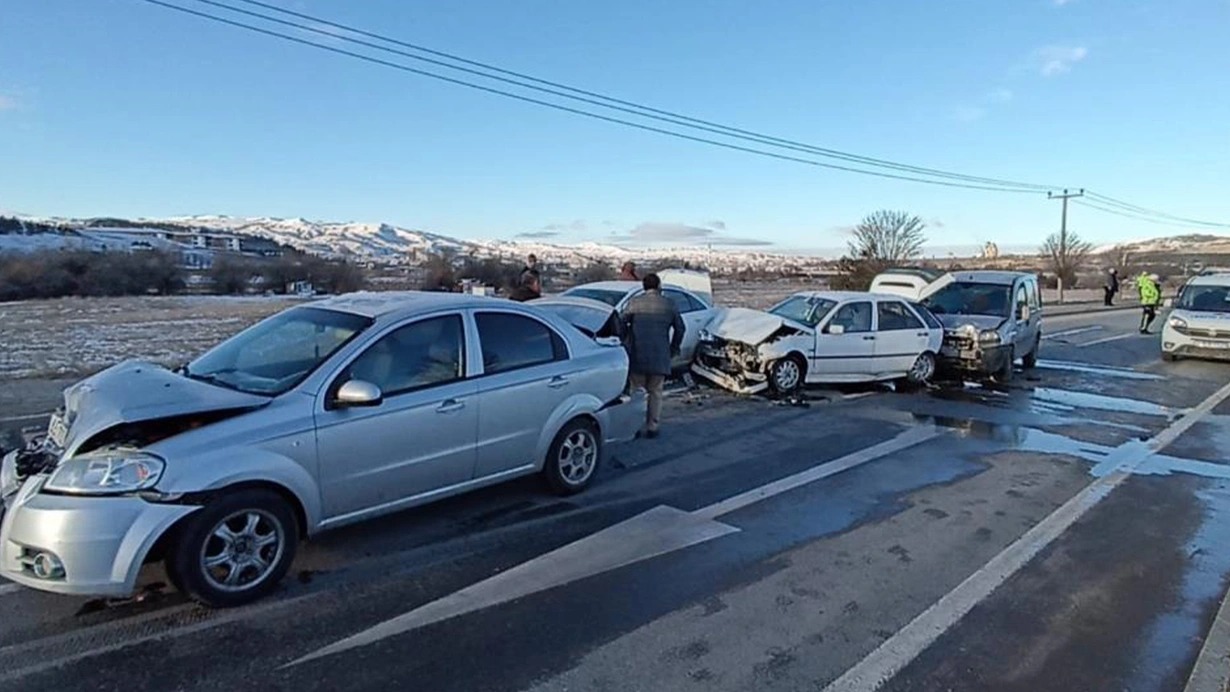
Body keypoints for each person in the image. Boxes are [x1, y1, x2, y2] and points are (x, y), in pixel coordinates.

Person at [622, 274, 685, 439]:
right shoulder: (669, 304)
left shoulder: (635, 303)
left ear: (643, 286)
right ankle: (652, 426)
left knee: (636, 392)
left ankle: (635, 427)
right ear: (658, 286)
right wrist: (673, 348)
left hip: (637, 354)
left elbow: (621, 323)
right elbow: (681, 329)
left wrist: (627, 339)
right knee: (656, 392)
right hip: (660, 354)